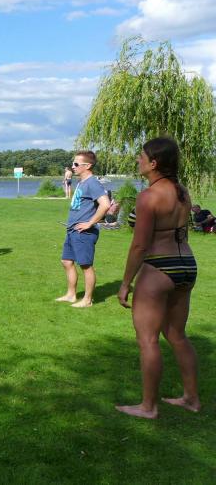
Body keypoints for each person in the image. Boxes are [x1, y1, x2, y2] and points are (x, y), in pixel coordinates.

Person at [116, 137, 200, 419]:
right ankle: (191, 399)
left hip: (159, 268)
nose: (137, 160)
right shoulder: (182, 192)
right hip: (186, 265)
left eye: (141, 156)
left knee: (148, 340)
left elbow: (140, 245)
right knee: (177, 335)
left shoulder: (148, 197)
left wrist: (126, 283)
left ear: (154, 163)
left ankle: (148, 407)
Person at [55, 151, 110, 307]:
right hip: (72, 230)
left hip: (84, 232)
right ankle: (71, 295)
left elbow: (105, 204)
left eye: (76, 164)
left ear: (88, 166)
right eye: (73, 163)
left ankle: (87, 300)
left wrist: (90, 223)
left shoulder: (93, 183)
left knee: (85, 265)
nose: (73, 167)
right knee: (66, 261)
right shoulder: (81, 182)